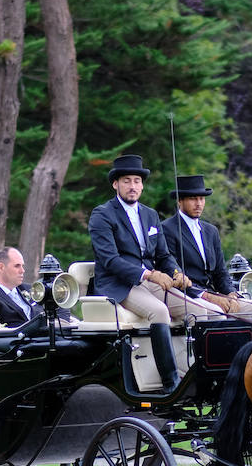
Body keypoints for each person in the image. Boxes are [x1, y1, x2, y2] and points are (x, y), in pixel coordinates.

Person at [87, 154, 222, 391]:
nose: (133, 186)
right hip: (119, 284)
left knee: (206, 313)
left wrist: (176, 272)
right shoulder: (102, 215)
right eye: (127, 181)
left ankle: (204, 377)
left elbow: (163, 256)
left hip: (151, 282)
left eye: (137, 181)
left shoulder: (150, 215)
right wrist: (149, 275)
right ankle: (171, 383)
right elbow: (110, 260)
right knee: (159, 312)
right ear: (115, 184)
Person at [160, 174, 252, 317]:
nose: (199, 203)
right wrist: (209, 297)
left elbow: (220, 272)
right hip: (188, 295)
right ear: (179, 201)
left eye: (201, 198)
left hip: (214, 293)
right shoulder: (167, 229)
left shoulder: (211, 231)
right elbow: (171, 271)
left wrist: (231, 294)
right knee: (217, 314)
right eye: (193, 199)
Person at [0, 246, 43, 328]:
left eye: (22, 266)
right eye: (17, 266)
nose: (22, 271)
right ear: (1, 267)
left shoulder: (29, 289)